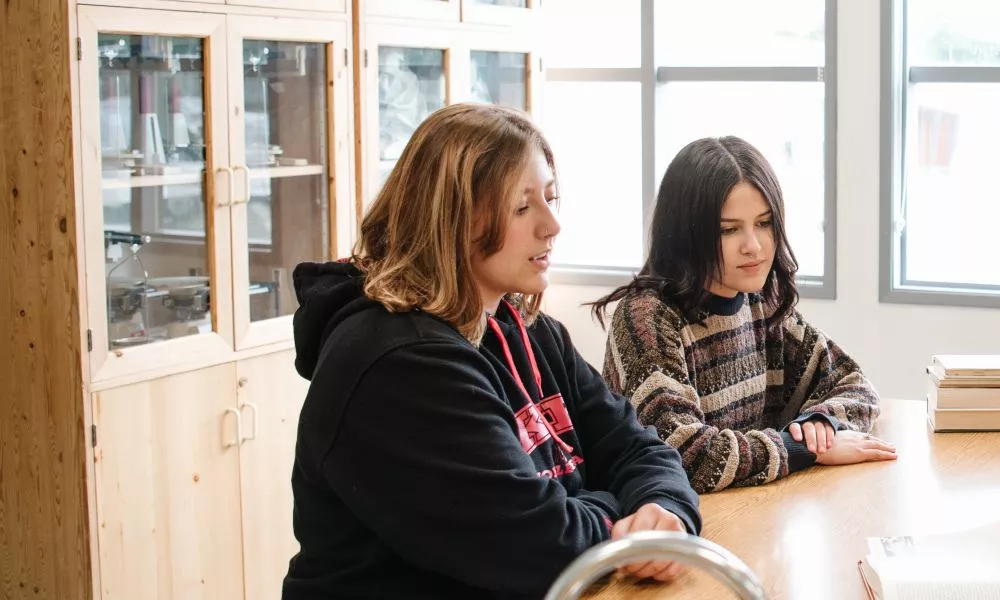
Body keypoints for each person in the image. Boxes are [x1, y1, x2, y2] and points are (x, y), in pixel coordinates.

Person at [284, 103, 702, 599]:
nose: (552, 225)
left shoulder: (526, 327)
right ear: (452, 218)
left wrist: (665, 509)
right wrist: (623, 518)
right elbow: (541, 545)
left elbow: (638, 446)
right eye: (523, 207)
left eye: (551, 198)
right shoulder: (397, 364)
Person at [587, 135, 896, 494]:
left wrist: (820, 423)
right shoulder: (647, 317)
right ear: (687, 233)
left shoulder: (760, 301)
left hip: (745, 514)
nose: (754, 245)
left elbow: (855, 385)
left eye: (764, 223)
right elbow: (684, 454)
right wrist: (801, 448)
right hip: (666, 531)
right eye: (728, 229)